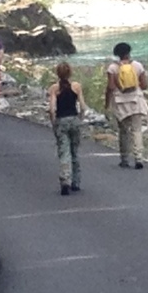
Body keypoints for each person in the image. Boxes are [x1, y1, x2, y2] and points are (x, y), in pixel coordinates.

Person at [104, 41, 148, 168]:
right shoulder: (138, 66)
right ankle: (139, 158)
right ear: (129, 52)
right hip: (136, 100)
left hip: (120, 103)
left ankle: (124, 159)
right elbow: (144, 85)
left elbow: (110, 87)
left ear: (117, 54)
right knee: (137, 130)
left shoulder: (112, 68)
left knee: (124, 131)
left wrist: (107, 104)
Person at [47, 61, 87, 195]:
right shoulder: (76, 86)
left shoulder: (54, 88)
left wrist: (53, 122)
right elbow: (83, 106)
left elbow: (52, 109)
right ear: (70, 72)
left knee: (64, 151)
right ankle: (76, 182)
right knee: (74, 151)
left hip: (61, 120)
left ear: (57, 73)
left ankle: (65, 180)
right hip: (74, 119)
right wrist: (80, 118)